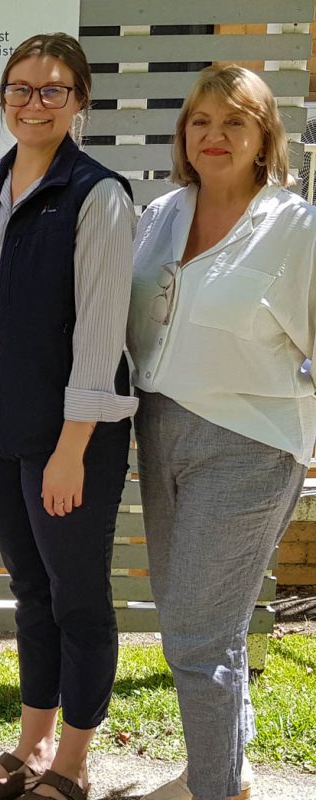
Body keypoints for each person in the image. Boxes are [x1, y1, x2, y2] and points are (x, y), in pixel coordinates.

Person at [0, 33, 137, 800]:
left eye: (53, 89)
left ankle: (75, 762)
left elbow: (100, 333)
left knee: (78, 596)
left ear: (79, 99)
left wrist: (71, 449)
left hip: (72, 442)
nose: (34, 102)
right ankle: (32, 745)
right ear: (3, 97)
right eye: (20, 88)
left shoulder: (98, 195)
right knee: (30, 591)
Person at [129, 65, 314, 800]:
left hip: (248, 442)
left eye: (235, 121)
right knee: (194, 619)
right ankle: (223, 773)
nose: (215, 135)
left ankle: (213, 790)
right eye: (201, 121)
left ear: (264, 136)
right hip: (159, 428)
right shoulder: (161, 214)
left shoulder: (293, 226)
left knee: (198, 638)